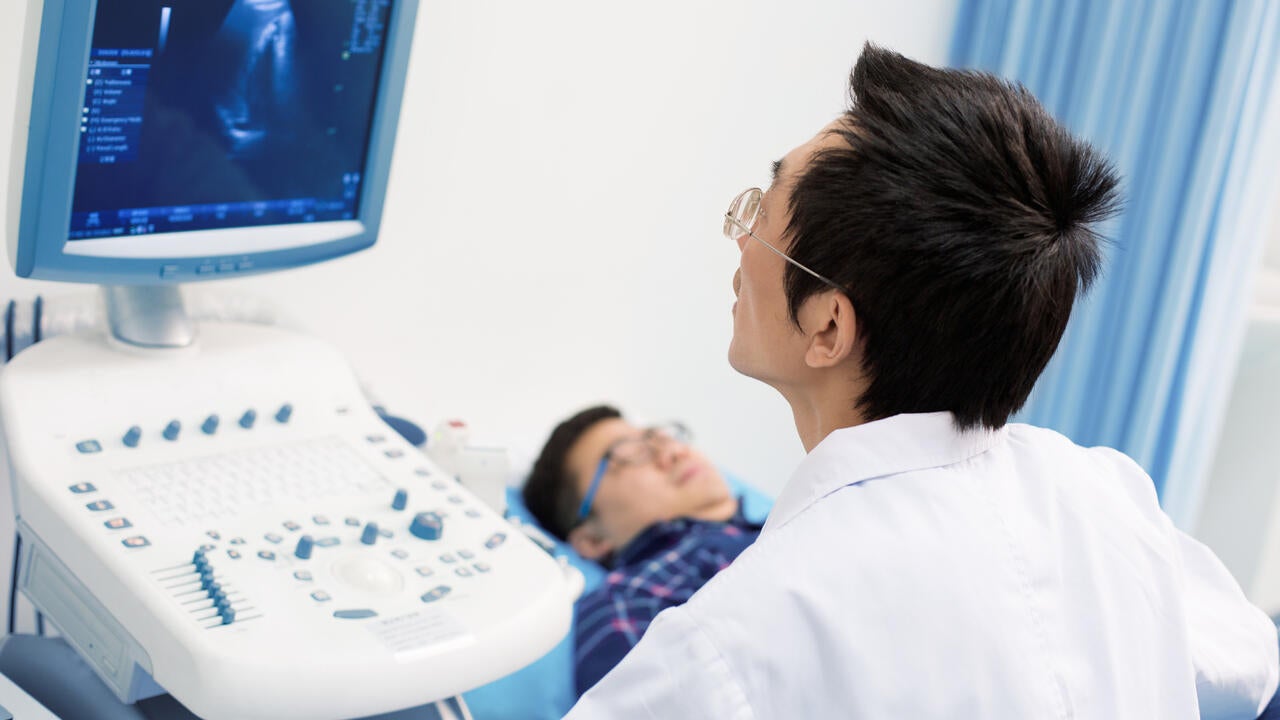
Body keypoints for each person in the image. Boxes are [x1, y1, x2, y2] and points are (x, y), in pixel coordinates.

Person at [564, 44, 1279, 718]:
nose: (740, 240)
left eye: (761, 213)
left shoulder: (745, 630)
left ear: (828, 329)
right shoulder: (1103, 492)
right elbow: (1249, 664)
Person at [522, 405, 763, 696]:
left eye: (661, 438)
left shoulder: (796, 517)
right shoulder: (629, 601)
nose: (673, 452)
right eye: (631, 454)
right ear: (592, 540)